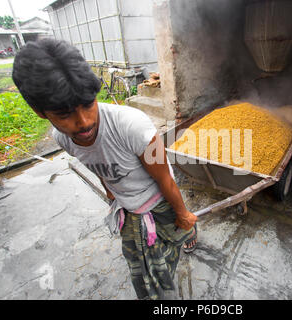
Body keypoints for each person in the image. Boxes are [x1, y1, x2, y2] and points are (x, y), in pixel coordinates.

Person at [12, 39, 198, 300]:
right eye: (65, 114)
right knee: (149, 277)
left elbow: (166, 178)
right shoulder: (61, 138)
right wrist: (110, 191)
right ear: (39, 111)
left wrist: (182, 214)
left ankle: (189, 231)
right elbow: (93, 161)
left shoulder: (133, 125)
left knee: (175, 241)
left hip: (159, 202)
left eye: (88, 105)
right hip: (128, 207)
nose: (84, 122)